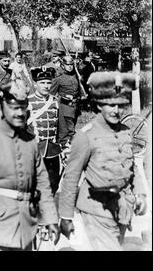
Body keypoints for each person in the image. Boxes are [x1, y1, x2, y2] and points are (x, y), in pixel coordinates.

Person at [0, 78, 60, 251]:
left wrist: (51, 218)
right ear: (1, 108)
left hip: (26, 227)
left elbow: (43, 184)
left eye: (23, 107)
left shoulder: (30, 141)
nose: (20, 113)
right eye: (14, 108)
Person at [59, 71, 148, 251]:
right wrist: (66, 216)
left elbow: (132, 168)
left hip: (123, 209)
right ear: (99, 105)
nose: (116, 111)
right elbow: (71, 177)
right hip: (96, 209)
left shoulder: (125, 131)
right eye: (110, 105)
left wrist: (140, 193)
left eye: (120, 105)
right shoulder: (86, 135)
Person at [28, 66, 61, 195]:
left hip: (52, 149)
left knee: (53, 183)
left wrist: (64, 144)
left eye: (48, 82)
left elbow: (61, 126)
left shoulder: (55, 101)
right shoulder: (27, 101)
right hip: (34, 150)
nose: (46, 86)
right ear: (35, 84)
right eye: (42, 82)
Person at [50, 55, 86, 150]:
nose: (70, 66)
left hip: (74, 108)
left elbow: (79, 89)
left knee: (71, 130)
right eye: (67, 65)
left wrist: (82, 95)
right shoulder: (59, 78)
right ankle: (65, 152)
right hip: (64, 108)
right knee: (67, 132)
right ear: (63, 65)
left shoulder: (75, 76)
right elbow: (51, 94)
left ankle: (68, 150)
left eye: (71, 64)